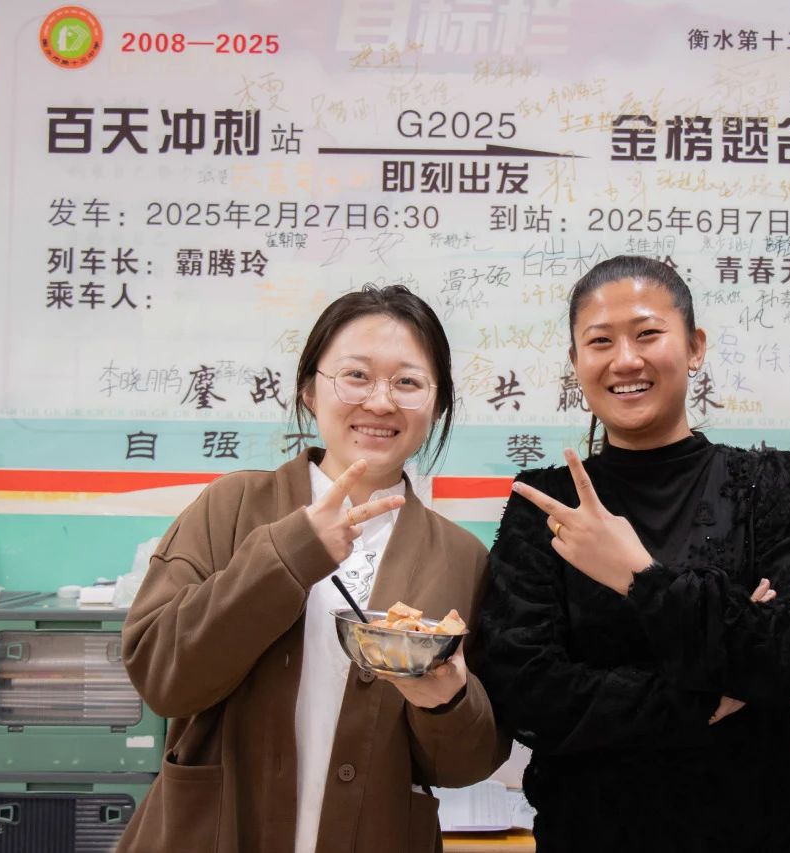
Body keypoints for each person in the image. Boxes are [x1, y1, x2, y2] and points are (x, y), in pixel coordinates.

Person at [471, 255, 790, 853]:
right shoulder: (547, 506)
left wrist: (640, 578)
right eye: (600, 341)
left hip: (757, 831)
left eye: (647, 334)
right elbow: (526, 690)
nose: (625, 360)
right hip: (589, 833)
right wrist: (709, 693)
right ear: (576, 363)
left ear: (694, 347)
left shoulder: (771, 486)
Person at [118, 285, 507, 853]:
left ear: (438, 404)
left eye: (407, 382)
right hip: (216, 833)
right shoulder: (231, 507)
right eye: (356, 376)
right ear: (309, 390)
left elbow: (466, 763)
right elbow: (161, 677)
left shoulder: (462, 557)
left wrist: (447, 701)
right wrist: (291, 551)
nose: (380, 402)